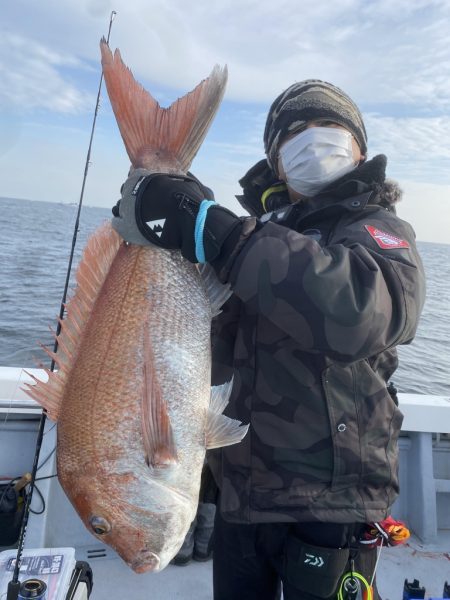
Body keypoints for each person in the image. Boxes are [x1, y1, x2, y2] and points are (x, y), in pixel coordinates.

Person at [112, 80, 426, 599]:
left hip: (331, 505)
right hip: (244, 497)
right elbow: (207, 348)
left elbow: (363, 312)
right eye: (294, 133)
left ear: (360, 149)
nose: (312, 140)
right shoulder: (255, 233)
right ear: (277, 162)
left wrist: (226, 236)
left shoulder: (378, 230)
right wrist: (171, 239)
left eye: (329, 127)